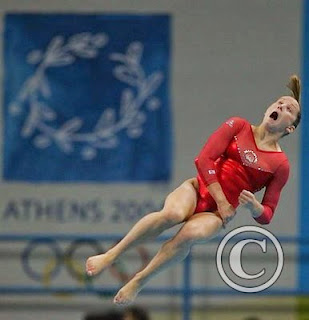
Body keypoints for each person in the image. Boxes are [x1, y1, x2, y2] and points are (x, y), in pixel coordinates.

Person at [86, 75, 301, 305]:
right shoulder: (238, 126)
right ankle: (111, 255)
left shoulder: (280, 165)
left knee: (190, 234)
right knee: (172, 214)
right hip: (197, 189)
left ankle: (138, 281)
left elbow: (267, 214)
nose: (280, 105)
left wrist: (255, 207)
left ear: (289, 127)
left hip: (217, 215)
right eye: (279, 101)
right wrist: (221, 199)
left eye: (288, 108)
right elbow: (204, 159)